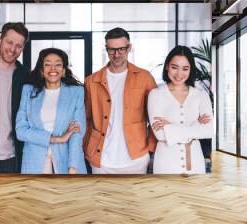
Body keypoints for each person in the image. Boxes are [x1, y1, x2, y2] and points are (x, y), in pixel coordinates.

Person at [84, 27, 157, 174]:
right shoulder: (91, 81)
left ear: (129, 48)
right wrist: (86, 147)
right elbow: (86, 119)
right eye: (111, 50)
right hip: (101, 159)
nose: (116, 55)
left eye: (121, 49)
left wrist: (150, 148)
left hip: (136, 158)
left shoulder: (145, 78)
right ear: (106, 49)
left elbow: (155, 118)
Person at [15, 48, 87, 174]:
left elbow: (77, 132)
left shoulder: (76, 92)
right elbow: (20, 131)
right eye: (47, 64)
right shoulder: (28, 91)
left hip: (67, 158)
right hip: (34, 159)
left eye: (58, 64)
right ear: (42, 71)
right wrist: (58, 139)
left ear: (64, 70)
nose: (53, 68)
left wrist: (73, 168)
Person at [148, 45, 213, 174]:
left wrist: (169, 127)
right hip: (165, 161)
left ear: (190, 70)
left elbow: (207, 131)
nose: (179, 74)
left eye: (185, 68)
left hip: (195, 161)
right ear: (167, 66)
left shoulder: (201, 95)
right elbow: (160, 134)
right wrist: (195, 126)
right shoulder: (155, 94)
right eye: (174, 67)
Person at [0, 22, 29, 173]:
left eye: (18, 46)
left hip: (11, 156)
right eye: (9, 42)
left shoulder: (25, 76)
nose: (12, 49)